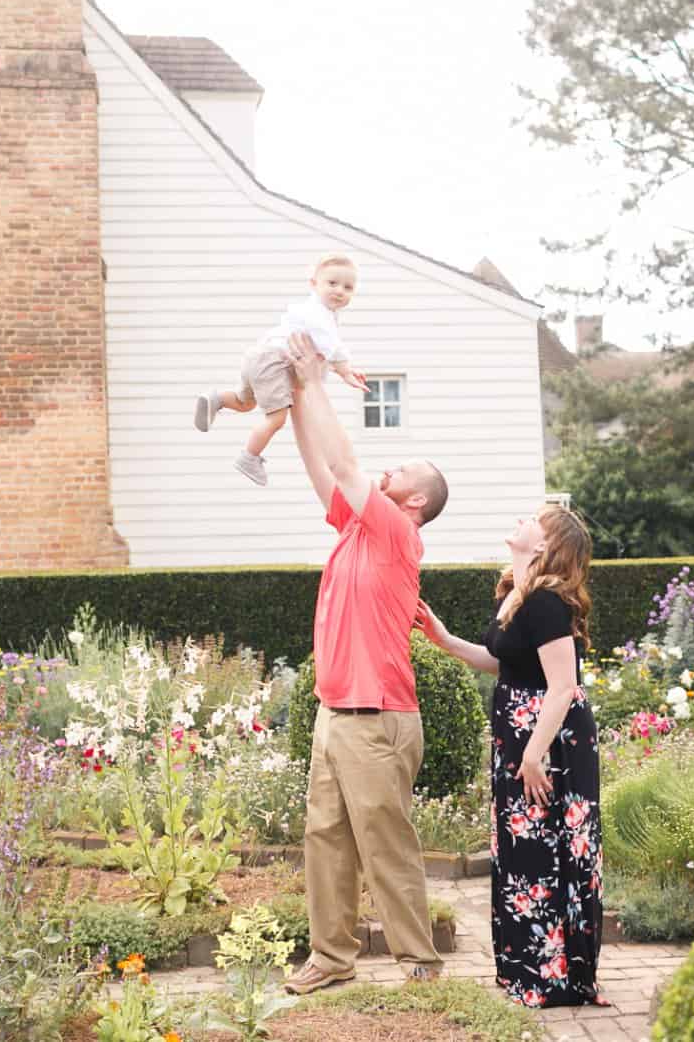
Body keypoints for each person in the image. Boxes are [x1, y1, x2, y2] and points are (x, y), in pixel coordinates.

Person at [276, 333, 451, 996]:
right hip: (336, 713)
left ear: (414, 503)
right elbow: (325, 470)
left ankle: (421, 967)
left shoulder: (397, 533)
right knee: (325, 839)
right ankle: (331, 957)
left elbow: (347, 464)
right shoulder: (356, 526)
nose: (387, 472)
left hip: (378, 719)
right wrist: (296, 397)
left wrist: (316, 381)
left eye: (400, 472)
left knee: (385, 846)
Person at [414, 504, 605, 1009]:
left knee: (550, 850)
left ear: (544, 546)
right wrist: (443, 638)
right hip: (525, 741)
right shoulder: (517, 597)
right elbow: (502, 664)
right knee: (524, 852)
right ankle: (530, 972)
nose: (520, 523)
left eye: (532, 522)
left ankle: (558, 979)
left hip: (551, 743)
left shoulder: (545, 602)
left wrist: (535, 755)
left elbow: (563, 688)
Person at [192, 254, 368, 486]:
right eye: (332, 283)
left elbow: (322, 352)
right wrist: (345, 372)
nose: (339, 291)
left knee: (245, 402)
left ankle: (217, 399)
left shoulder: (313, 311)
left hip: (259, 357)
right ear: (314, 284)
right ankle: (249, 457)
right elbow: (331, 347)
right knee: (276, 419)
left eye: (348, 287)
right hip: (274, 363)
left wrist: (341, 369)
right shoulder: (319, 314)